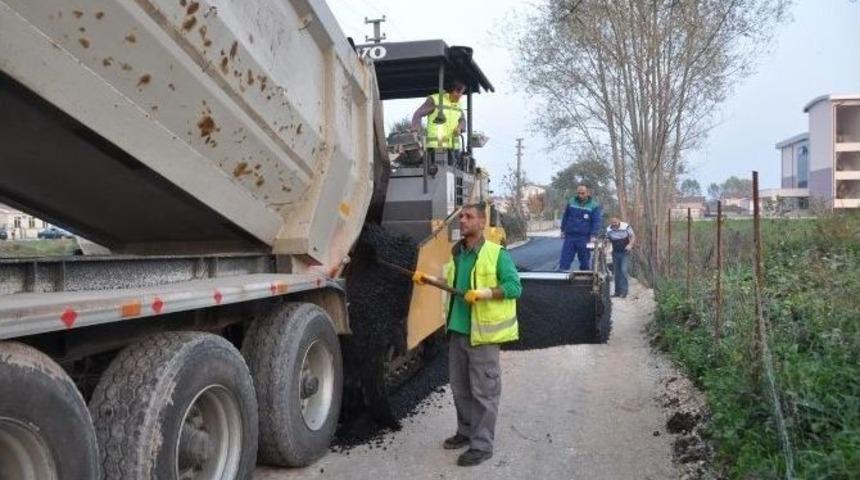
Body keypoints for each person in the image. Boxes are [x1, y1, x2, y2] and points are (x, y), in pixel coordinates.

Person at [412, 203, 522, 467]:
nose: (462, 220)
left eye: (468, 217)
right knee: (460, 389)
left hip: (482, 335)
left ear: (481, 222)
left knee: (484, 392)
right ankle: (465, 431)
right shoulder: (457, 252)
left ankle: (482, 445)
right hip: (458, 332)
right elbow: (451, 283)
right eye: (460, 217)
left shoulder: (496, 254)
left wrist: (486, 293)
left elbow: (515, 287)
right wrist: (426, 278)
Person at [411, 80, 467, 165]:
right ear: (455, 91)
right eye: (461, 93)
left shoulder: (459, 104)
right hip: (437, 148)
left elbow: (462, 120)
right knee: (437, 175)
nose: (461, 96)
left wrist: (460, 127)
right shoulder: (435, 100)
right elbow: (418, 114)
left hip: (454, 148)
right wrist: (415, 131)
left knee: (454, 175)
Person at [559, 185, 602, 271]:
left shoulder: (594, 205)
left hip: (584, 237)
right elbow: (566, 216)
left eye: (582, 193)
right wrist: (563, 230)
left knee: (585, 260)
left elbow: (596, 221)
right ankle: (562, 275)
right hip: (570, 236)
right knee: (565, 259)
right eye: (578, 193)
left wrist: (593, 235)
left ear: (587, 193)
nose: (580, 195)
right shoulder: (571, 202)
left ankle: (585, 277)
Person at [606, 217, 635, 298]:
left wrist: (630, 245)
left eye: (615, 222)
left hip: (625, 252)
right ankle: (617, 292)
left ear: (619, 221)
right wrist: (607, 250)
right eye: (613, 223)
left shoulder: (626, 226)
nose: (614, 224)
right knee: (616, 272)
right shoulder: (609, 230)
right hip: (615, 252)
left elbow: (633, 236)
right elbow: (608, 241)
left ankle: (624, 291)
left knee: (623, 270)